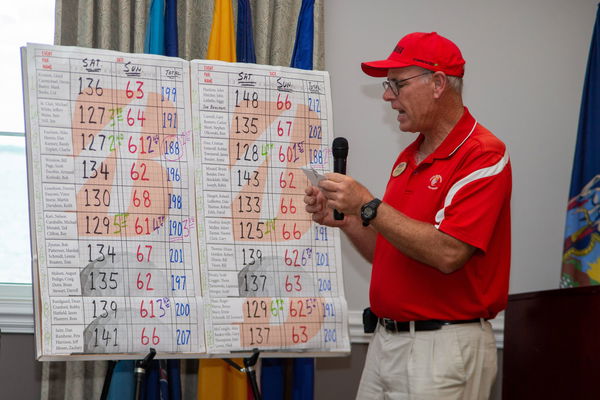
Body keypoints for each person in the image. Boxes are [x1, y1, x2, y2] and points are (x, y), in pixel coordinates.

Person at [304, 32, 511, 399]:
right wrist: (348, 218)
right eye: (388, 86)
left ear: (437, 83)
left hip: (443, 348)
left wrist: (369, 205)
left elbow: (449, 253)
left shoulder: (483, 155)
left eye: (397, 84)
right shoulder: (408, 158)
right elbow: (387, 250)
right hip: (386, 341)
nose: (387, 96)